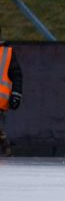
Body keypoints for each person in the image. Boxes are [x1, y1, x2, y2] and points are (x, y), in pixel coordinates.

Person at [0, 25, 23, 157]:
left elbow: (16, 74)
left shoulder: (6, 53)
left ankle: (5, 146)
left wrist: (16, 94)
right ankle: (5, 146)